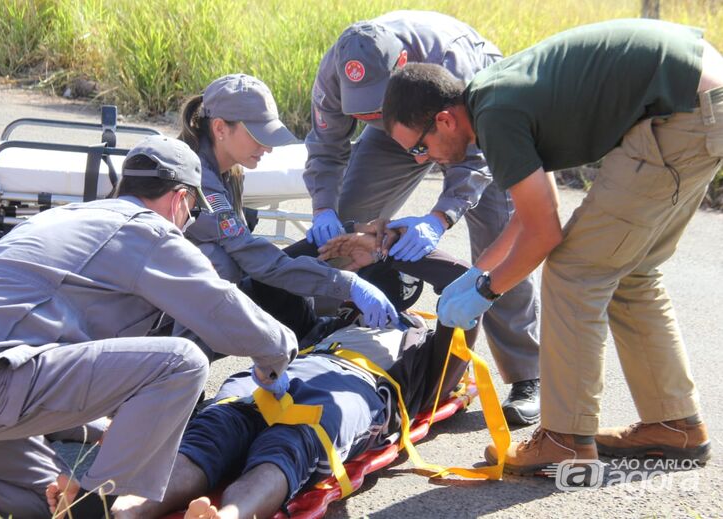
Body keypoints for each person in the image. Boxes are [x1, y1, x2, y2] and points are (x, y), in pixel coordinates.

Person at [382, 18, 721, 475]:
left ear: (444, 119)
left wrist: (487, 292)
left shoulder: (494, 117)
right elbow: (533, 211)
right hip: (701, 100)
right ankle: (675, 425)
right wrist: (477, 272)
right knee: (630, 271)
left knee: (574, 269)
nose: (425, 160)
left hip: (681, 110)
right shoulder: (492, 98)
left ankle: (564, 439)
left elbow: (546, 235)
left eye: (420, 148)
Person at [0, 135, 298, 519]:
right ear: (181, 199)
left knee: (57, 499)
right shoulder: (145, 229)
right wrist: (278, 356)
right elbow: (222, 308)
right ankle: (98, 510)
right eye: (191, 212)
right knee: (183, 362)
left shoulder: (60, 217)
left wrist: (115, 425)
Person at [101, 231, 477, 519]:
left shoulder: (426, 343)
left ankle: (228, 515)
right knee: (213, 430)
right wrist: (332, 240)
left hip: (354, 391)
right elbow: (271, 276)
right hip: (276, 376)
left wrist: (388, 244)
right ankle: (124, 511)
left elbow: (465, 282)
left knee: (289, 445)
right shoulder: (323, 325)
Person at [303, 10, 542, 425]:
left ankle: (527, 375)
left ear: (402, 68)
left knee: (500, 240)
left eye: (376, 109)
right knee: (346, 224)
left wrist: (440, 216)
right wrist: (324, 206)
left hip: (469, 124)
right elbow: (326, 147)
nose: (370, 117)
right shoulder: (335, 76)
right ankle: (323, 338)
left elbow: (478, 157)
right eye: (365, 114)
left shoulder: (455, 65)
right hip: (400, 123)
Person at [177, 73, 399, 335]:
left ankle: (310, 333)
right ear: (220, 128)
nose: (267, 148)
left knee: (300, 255)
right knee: (227, 263)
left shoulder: (228, 172)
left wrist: (348, 232)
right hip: (164, 316)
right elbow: (256, 260)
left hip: (188, 296)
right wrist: (345, 283)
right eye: (257, 135)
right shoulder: (198, 177)